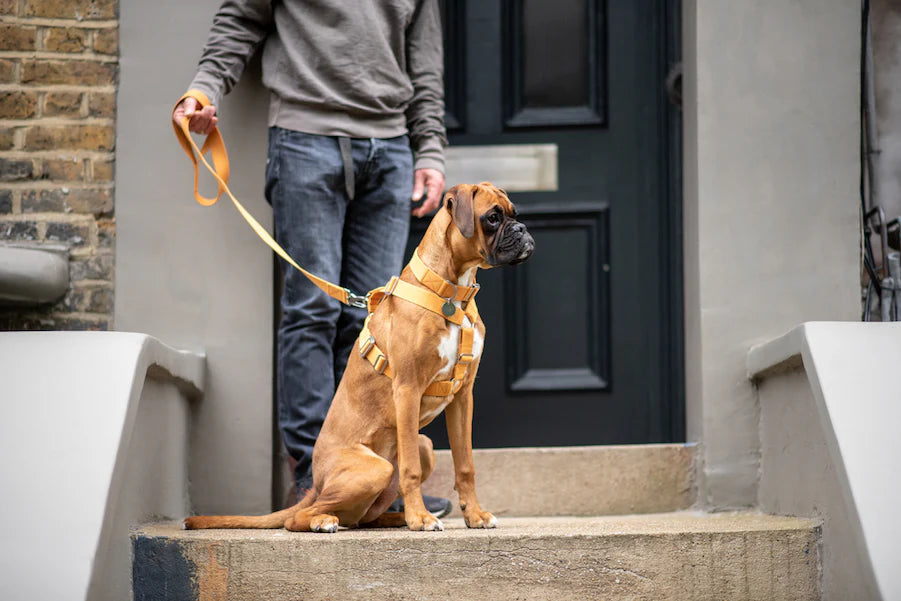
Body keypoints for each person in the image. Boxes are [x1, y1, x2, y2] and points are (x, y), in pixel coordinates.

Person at [173, 0, 452, 517]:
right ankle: (313, 479)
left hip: (392, 147)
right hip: (305, 138)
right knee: (312, 311)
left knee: (376, 324)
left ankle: (376, 481)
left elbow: (425, 62)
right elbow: (241, 18)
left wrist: (430, 148)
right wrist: (204, 89)